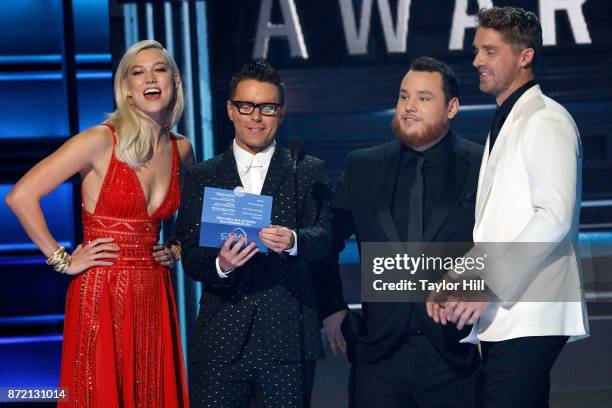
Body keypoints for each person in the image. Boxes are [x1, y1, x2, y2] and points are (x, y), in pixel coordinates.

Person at [6, 40, 194, 407]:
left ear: (174, 82)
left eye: (159, 69)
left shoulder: (181, 149)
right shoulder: (99, 141)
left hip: (155, 293)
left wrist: (176, 247)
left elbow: (193, 213)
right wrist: (62, 260)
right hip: (101, 293)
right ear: (126, 88)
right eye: (137, 72)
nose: (149, 78)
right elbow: (21, 196)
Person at [427, 7, 589, 407]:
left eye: (489, 51)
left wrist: (487, 284)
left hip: (529, 313)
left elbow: (553, 217)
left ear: (524, 56)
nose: (477, 61)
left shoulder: (546, 119)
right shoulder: (510, 119)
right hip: (508, 316)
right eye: (477, 50)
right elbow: (499, 227)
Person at [313, 56, 483, 407]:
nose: (409, 107)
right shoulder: (363, 165)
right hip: (378, 356)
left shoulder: (483, 166)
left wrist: (489, 321)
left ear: (452, 107)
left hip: (457, 353)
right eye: (404, 96)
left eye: (423, 98)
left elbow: (506, 245)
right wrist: (331, 307)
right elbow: (324, 240)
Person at [174, 59, 332, 408]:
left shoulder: (307, 170)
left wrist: (293, 241)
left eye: (267, 107)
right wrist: (221, 263)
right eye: (246, 106)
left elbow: (325, 237)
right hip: (220, 340)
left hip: (288, 338)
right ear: (231, 110)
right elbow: (189, 252)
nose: (256, 117)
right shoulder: (203, 175)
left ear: (282, 112)